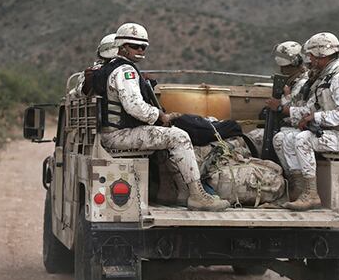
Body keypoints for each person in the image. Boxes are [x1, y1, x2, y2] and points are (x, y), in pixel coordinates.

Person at [98, 22, 230, 212]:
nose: (140, 50)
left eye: (143, 46)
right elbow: (135, 107)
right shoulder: (125, 71)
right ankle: (197, 195)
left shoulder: (110, 68)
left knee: (166, 138)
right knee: (179, 136)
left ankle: (177, 192)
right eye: (135, 46)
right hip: (120, 134)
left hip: (115, 132)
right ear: (122, 47)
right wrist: (160, 116)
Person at [267, 32, 339, 211]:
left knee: (302, 139)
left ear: (323, 55)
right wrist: (302, 115)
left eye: (312, 55)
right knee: (282, 138)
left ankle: (311, 194)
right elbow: (312, 108)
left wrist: (315, 118)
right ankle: (297, 191)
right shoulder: (324, 77)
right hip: (333, 132)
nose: (309, 59)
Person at [246, 41, 310, 154]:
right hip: (284, 127)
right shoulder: (294, 80)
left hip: (292, 129)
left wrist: (285, 98)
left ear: (295, 63)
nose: (281, 70)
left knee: (252, 139)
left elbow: (297, 114)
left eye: (285, 67)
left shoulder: (302, 83)